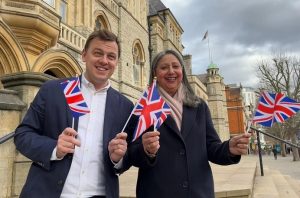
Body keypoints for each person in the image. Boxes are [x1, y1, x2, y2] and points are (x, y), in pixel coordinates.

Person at [14, 29, 133, 198]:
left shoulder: (125, 106)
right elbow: (22, 135)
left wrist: (118, 158)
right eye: (98, 53)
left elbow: (127, 157)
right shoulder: (54, 90)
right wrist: (54, 148)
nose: (104, 61)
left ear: (117, 62)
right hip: (48, 192)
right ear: (84, 55)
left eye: (111, 56)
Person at [128, 49, 251, 198]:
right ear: (155, 72)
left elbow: (212, 147)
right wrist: (146, 151)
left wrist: (229, 149)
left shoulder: (199, 106)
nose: (171, 71)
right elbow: (131, 154)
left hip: (198, 193)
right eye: (164, 67)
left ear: (182, 71)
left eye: (175, 66)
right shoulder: (144, 107)